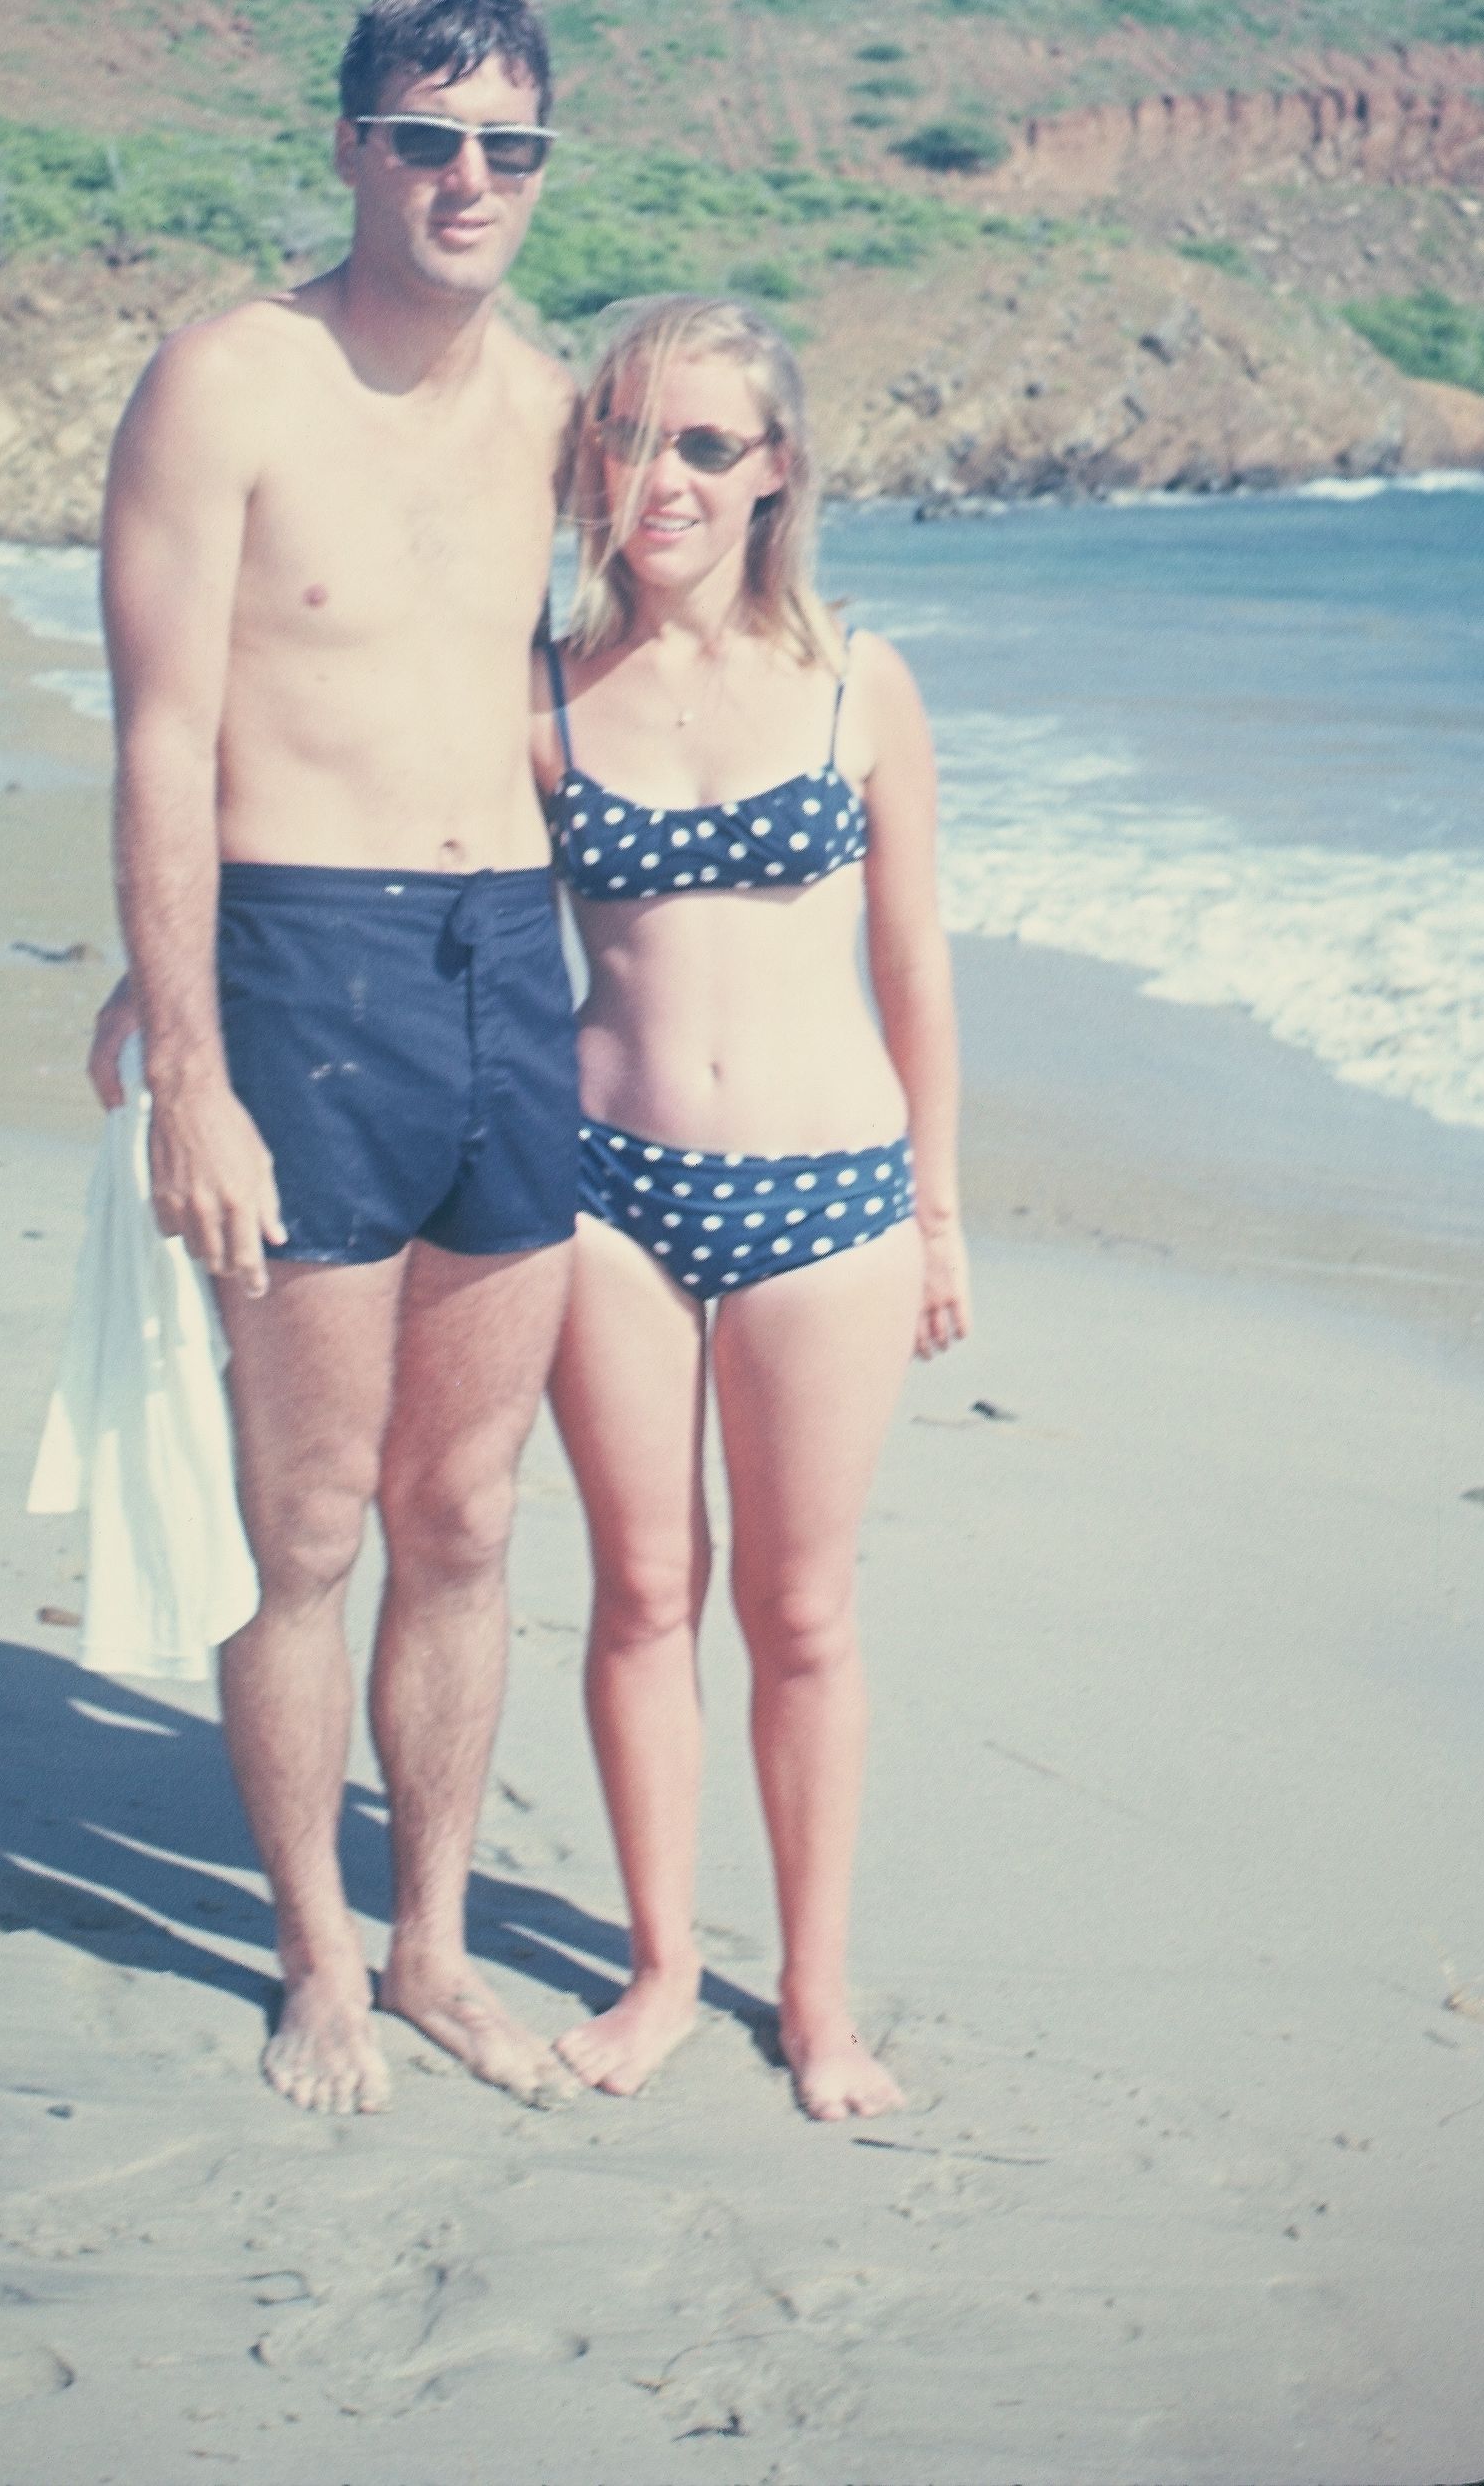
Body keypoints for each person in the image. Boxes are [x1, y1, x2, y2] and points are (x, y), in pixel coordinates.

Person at [89, 0, 582, 2117]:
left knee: (463, 1510)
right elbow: (161, 732)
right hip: (303, 969)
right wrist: (189, 1058)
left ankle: (434, 1944)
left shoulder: (554, 409)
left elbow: (612, 692)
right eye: (430, 137)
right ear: (353, 146)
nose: (471, 178)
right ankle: (313, 1955)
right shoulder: (230, 382)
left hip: (510, 971)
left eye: (509, 145)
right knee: (306, 1520)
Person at [532, 294, 970, 2122]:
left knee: (802, 1613)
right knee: (643, 1591)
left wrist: (940, 1216)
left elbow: (915, 962)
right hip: (601, 1192)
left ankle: (813, 1999)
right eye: (630, 436)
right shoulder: (541, 685)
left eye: (705, 444)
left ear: (776, 466)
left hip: (834, 1204)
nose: (664, 478)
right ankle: (654, 1971)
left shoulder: (864, 680)